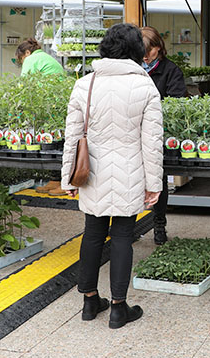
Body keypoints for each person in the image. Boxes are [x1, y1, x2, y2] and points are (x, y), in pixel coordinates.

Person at [61, 23, 163, 329]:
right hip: (131, 171)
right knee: (122, 237)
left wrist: (67, 178)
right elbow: (152, 142)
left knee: (92, 233)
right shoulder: (145, 86)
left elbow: (72, 137)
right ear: (137, 51)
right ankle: (119, 308)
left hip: (92, 171)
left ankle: (89, 301)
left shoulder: (85, 84)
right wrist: (154, 183)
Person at [141, 25, 187, 245]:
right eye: (141, 52)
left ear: (158, 47)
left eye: (149, 51)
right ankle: (125, 224)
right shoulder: (133, 68)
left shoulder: (171, 71)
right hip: (133, 132)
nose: (145, 56)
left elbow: (178, 103)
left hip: (158, 133)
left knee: (158, 178)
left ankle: (159, 223)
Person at [18, 37, 68, 195]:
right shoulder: (47, 57)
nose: (22, 62)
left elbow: (23, 85)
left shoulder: (31, 59)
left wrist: (18, 107)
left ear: (27, 52)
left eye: (21, 59)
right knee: (57, 143)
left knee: (52, 145)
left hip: (48, 106)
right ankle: (56, 180)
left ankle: (65, 183)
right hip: (57, 104)